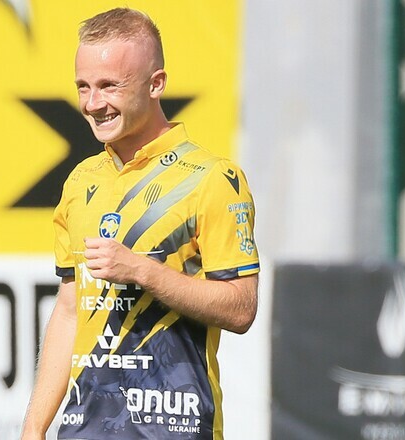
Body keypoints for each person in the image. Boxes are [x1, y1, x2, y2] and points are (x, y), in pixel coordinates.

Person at [21, 7, 259, 440]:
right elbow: (70, 310)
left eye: (109, 86)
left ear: (156, 84)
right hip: (85, 431)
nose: (93, 104)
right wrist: (34, 428)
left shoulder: (212, 179)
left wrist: (142, 271)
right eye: (83, 86)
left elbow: (241, 308)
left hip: (176, 428)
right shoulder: (80, 181)